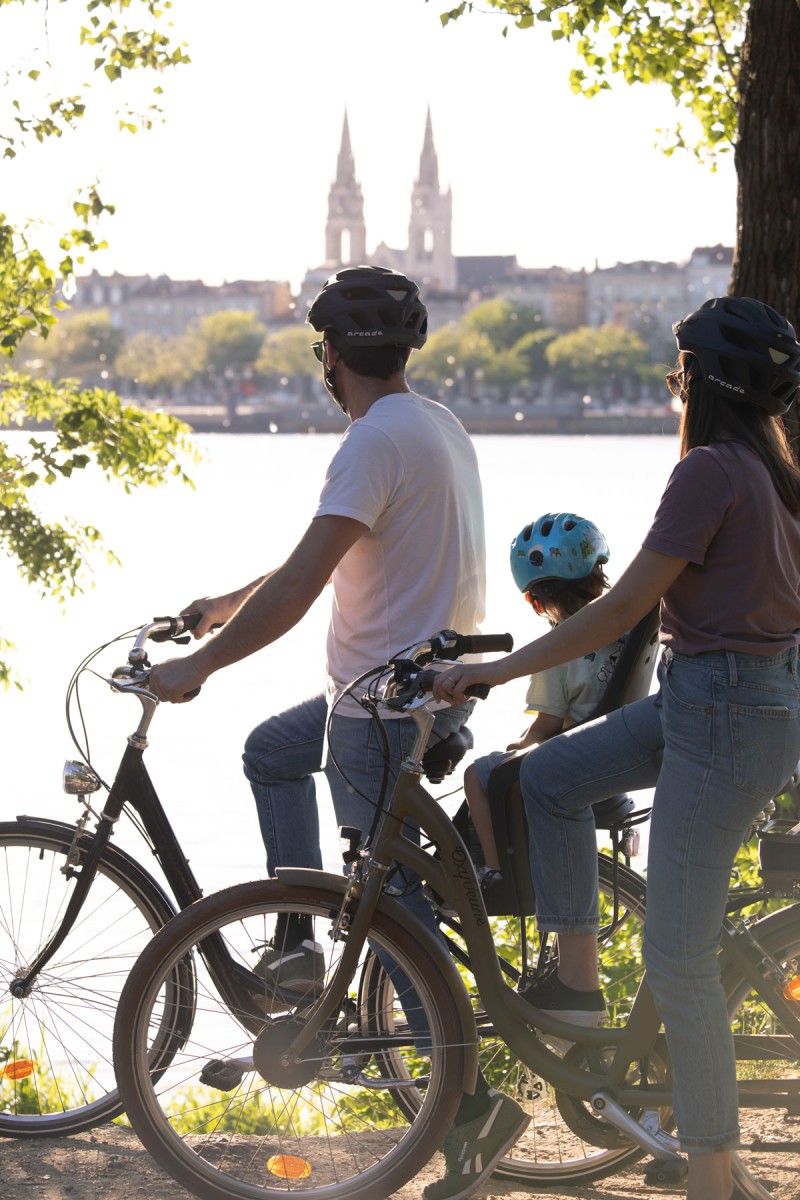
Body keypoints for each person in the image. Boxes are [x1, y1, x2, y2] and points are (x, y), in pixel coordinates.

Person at [149, 265, 529, 1200]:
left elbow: (304, 583)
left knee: (396, 915)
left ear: (329, 357)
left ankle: (471, 1111)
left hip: (378, 711)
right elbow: (331, 546)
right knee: (273, 752)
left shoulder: (371, 440)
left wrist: (199, 665)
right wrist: (225, 604)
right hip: (425, 696)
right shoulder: (431, 422)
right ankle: (304, 939)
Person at [432, 295, 800, 1200]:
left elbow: (623, 605)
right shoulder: (773, 474)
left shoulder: (711, 470)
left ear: (700, 385)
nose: (674, 391)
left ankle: (716, 1173)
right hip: (712, 699)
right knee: (545, 778)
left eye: (679, 376)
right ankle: (578, 985)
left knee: (679, 961)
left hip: (719, 712)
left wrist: (496, 670)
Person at [465, 511, 621, 900]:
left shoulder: (558, 647)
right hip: (613, 743)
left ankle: (495, 871)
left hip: (575, 754)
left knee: (477, 776)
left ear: (536, 602)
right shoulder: (624, 625)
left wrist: (518, 745)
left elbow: (547, 725)